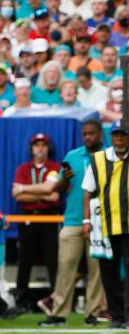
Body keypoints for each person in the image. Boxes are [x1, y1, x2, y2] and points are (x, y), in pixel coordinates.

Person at [82, 127, 129, 328]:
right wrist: (86, 221)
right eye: (116, 135)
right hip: (105, 223)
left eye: (123, 135)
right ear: (111, 137)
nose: (119, 139)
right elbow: (88, 192)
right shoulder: (98, 159)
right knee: (108, 271)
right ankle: (116, 316)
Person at [38, 120, 106, 326]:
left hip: (100, 219)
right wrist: (65, 179)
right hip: (73, 219)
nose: (88, 137)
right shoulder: (72, 156)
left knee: (97, 269)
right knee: (66, 266)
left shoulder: (109, 156)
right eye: (85, 134)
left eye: (92, 134)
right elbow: (57, 189)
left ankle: (92, 313)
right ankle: (58, 312)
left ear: (100, 135)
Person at [11, 133, 61, 313]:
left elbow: (53, 193)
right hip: (28, 218)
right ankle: (20, 300)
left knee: (52, 260)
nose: (40, 148)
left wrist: (24, 189)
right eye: (37, 145)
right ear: (31, 149)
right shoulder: (23, 169)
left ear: (48, 148)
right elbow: (17, 195)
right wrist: (43, 194)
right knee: (24, 260)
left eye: (43, 145)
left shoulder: (55, 167)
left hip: (49, 218)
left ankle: (55, 299)